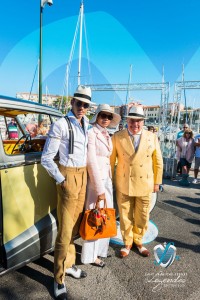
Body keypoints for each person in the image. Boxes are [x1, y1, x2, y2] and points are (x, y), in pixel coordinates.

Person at [41, 85, 94, 300]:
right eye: (79, 103)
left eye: (86, 104)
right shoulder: (60, 124)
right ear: (72, 102)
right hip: (68, 176)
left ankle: (69, 264)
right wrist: (62, 180)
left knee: (74, 227)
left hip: (82, 176)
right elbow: (46, 157)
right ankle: (58, 278)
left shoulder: (86, 123)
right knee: (64, 231)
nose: (82, 107)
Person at [110, 105, 163, 258]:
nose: (135, 125)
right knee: (125, 214)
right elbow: (111, 161)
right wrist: (111, 181)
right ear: (127, 120)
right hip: (124, 182)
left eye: (138, 121)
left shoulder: (151, 137)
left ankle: (138, 241)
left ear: (142, 121)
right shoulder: (117, 137)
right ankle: (127, 242)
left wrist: (157, 182)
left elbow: (158, 161)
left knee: (142, 214)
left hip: (145, 183)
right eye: (132, 121)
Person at [81, 104, 121, 267]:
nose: (106, 119)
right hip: (96, 180)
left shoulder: (106, 134)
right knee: (93, 216)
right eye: (103, 115)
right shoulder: (91, 133)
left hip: (106, 178)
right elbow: (91, 161)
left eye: (109, 116)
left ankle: (100, 251)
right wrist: (99, 189)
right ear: (97, 116)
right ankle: (90, 256)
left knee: (106, 215)